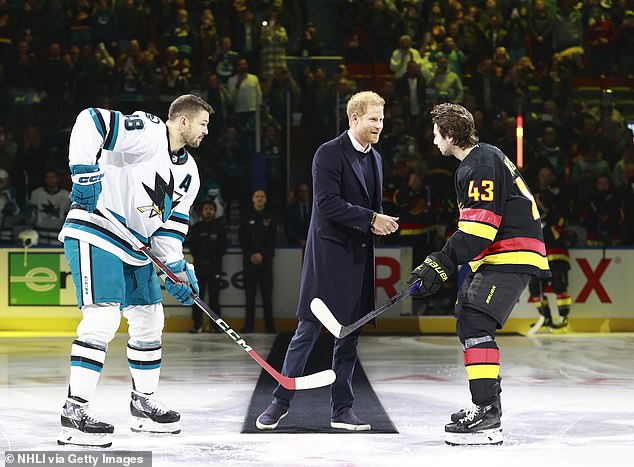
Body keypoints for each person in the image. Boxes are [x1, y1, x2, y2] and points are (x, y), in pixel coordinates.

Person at [57, 94, 213, 447]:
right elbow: (90, 119)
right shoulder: (149, 131)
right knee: (102, 320)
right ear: (183, 121)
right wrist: (84, 171)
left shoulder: (190, 174)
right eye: (203, 124)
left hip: (135, 247)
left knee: (149, 320)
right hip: (96, 230)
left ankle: (143, 404)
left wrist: (176, 269)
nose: (206, 132)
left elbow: (171, 229)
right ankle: (74, 411)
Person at [406, 103, 550, 445]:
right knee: (469, 318)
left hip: (510, 252)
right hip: (503, 252)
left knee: (475, 321)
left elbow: (479, 231)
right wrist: (444, 261)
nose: (433, 138)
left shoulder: (479, 164)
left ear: (450, 134)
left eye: (436, 132)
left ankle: (488, 412)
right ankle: (486, 407)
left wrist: (441, 261)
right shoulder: (483, 158)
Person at [256, 91, 399, 431]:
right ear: (354, 118)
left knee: (349, 336)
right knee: (307, 330)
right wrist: (370, 219)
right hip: (327, 258)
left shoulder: (376, 159)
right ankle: (280, 401)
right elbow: (326, 203)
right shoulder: (329, 153)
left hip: (359, 259)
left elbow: (366, 208)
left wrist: (377, 224)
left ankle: (342, 409)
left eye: (382, 119)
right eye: (373, 119)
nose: (379, 125)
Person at [239, 189, 277, 333]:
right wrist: (252, 254)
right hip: (249, 262)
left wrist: (262, 255)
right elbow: (242, 239)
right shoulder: (246, 217)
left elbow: (273, 240)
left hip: (266, 263)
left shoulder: (271, 217)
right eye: (257, 196)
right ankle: (248, 326)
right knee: (250, 295)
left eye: (262, 196)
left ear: (265, 199)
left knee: (267, 296)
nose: (259, 198)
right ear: (253, 199)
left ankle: (270, 327)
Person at [188, 200, 226, 333]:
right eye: (206, 208)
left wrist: (211, 260)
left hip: (214, 268)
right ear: (202, 211)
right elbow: (192, 247)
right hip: (199, 268)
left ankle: (215, 326)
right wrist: (201, 259)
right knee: (198, 298)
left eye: (211, 208)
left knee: (214, 299)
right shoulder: (196, 228)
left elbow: (222, 248)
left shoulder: (220, 228)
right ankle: (197, 325)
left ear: (215, 211)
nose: (208, 211)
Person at [284, 182, 311, 247]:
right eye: (301, 191)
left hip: (312, 243)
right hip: (294, 245)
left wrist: (308, 240)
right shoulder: (290, 209)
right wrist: (298, 240)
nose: (303, 193)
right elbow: (288, 227)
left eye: (305, 191)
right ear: (297, 193)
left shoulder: (314, 209)